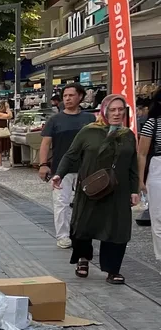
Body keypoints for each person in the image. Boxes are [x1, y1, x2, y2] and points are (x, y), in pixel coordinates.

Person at [53, 94, 138, 284]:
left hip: (119, 190)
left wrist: (135, 190)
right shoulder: (88, 131)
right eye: (112, 109)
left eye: (120, 110)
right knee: (84, 225)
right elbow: (71, 155)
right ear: (104, 110)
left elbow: (133, 165)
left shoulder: (128, 135)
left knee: (117, 229)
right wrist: (59, 173)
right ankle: (83, 258)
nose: (116, 113)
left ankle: (112, 269)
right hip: (91, 187)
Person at [39, 83, 94, 249]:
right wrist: (43, 164)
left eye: (71, 95)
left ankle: (81, 233)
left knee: (85, 203)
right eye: (65, 96)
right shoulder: (55, 120)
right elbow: (45, 143)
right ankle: (63, 235)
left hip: (86, 167)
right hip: (61, 168)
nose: (68, 99)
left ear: (80, 97)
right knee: (61, 202)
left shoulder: (89, 119)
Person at [139, 92, 161, 259]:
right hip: (157, 168)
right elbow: (142, 154)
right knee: (158, 218)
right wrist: (140, 179)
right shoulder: (151, 123)